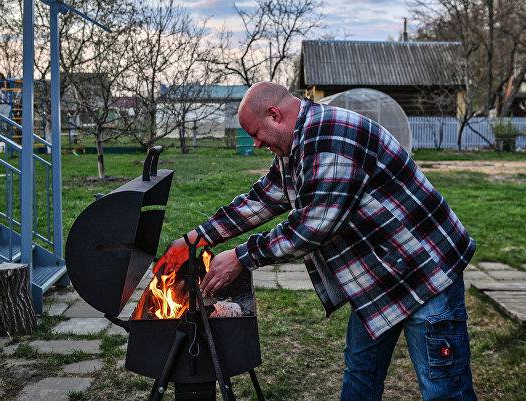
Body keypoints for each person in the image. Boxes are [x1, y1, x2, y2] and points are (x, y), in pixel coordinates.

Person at [155, 82, 477, 401]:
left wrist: (241, 257)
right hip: (381, 276)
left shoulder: (331, 139)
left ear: (274, 115)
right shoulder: (298, 142)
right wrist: (196, 238)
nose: (256, 143)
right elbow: (263, 197)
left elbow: (311, 228)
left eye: (256, 133)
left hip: (425, 270)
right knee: (361, 372)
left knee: (444, 389)